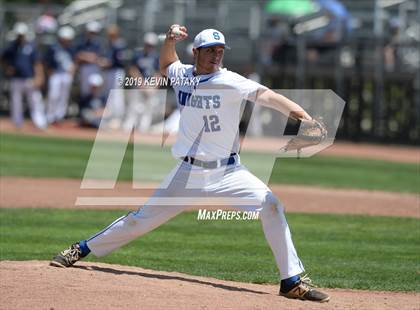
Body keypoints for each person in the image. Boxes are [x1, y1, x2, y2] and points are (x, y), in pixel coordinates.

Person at [50, 25, 330, 303]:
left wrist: (304, 118)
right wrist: (169, 39)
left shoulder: (230, 80)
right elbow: (167, 62)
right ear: (195, 52)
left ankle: (291, 281)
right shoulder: (182, 74)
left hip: (229, 172)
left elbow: (269, 96)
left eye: (220, 51)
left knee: (271, 205)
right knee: (139, 221)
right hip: (187, 173)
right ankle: (82, 248)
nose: (216, 56)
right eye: (210, 51)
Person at [1, 22, 47, 129]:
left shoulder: (31, 47)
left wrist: (39, 76)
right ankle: (17, 123)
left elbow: (37, 63)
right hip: (16, 79)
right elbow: (3, 59)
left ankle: (40, 123)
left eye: (22, 35)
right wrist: (7, 68)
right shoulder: (12, 47)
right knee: (16, 102)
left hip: (29, 78)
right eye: (19, 35)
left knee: (35, 101)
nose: (20, 37)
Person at [123, 32, 161, 132]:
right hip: (139, 84)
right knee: (133, 106)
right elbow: (133, 70)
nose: (149, 47)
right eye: (148, 45)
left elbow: (159, 72)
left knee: (148, 108)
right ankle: (129, 126)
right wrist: (141, 84)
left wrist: (153, 86)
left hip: (150, 85)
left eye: (151, 45)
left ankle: (144, 128)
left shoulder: (156, 57)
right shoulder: (137, 55)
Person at [44, 26, 75, 124]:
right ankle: (49, 116)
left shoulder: (71, 49)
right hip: (56, 74)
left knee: (63, 96)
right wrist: (49, 71)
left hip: (66, 74)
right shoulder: (53, 48)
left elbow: (74, 61)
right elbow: (46, 61)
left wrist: (73, 70)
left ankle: (59, 116)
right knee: (53, 95)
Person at [100, 25, 127, 127]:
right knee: (110, 95)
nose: (110, 36)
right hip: (110, 72)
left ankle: (118, 118)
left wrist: (106, 63)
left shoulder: (119, 45)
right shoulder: (110, 45)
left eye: (112, 34)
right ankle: (111, 117)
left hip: (117, 72)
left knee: (117, 94)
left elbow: (119, 61)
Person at [75, 21, 102, 98]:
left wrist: (83, 55)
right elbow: (78, 56)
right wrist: (87, 57)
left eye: (93, 33)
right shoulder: (82, 43)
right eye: (90, 32)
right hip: (84, 68)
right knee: (84, 90)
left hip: (94, 68)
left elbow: (95, 58)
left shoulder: (98, 43)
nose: (92, 35)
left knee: (95, 87)